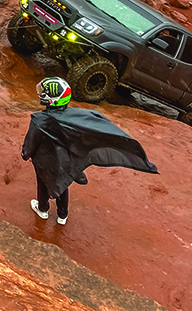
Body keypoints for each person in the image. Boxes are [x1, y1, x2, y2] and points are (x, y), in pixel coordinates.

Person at [21, 76, 158, 226]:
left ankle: (43, 209)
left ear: (50, 100)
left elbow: (31, 142)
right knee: (63, 185)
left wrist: (25, 153)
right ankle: (62, 215)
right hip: (65, 161)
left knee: (43, 185)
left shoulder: (38, 120)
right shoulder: (75, 117)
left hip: (44, 161)